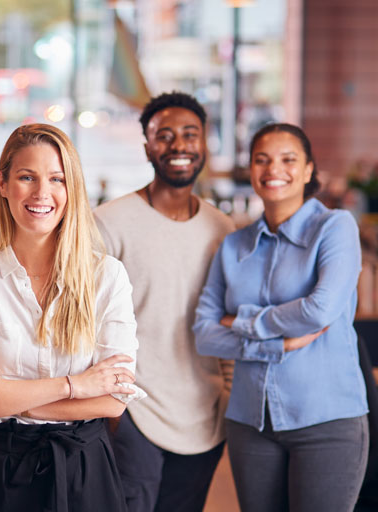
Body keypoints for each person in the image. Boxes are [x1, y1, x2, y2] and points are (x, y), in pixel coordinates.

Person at [0, 123, 146, 512]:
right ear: (2, 184)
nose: (41, 193)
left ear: (72, 189)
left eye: (56, 178)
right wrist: (75, 385)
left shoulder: (106, 276)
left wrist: (8, 397)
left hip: (84, 466)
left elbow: (114, 399)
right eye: (26, 177)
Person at [193, 123, 369, 512]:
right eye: (262, 160)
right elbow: (204, 334)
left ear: (308, 170)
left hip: (326, 420)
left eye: (288, 159)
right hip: (250, 423)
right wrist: (281, 343)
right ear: (251, 170)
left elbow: (320, 309)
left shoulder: (335, 228)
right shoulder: (233, 245)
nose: (274, 169)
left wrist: (241, 321)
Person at [94, 91, 234, 512]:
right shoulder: (108, 222)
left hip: (204, 414)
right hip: (133, 411)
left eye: (190, 134)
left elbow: (229, 318)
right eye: (164, 135)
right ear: (147, 148)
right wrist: (112, 410)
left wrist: (226, 394)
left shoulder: (222, 228)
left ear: (205, 143)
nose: (178, 146)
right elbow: (85, 321)